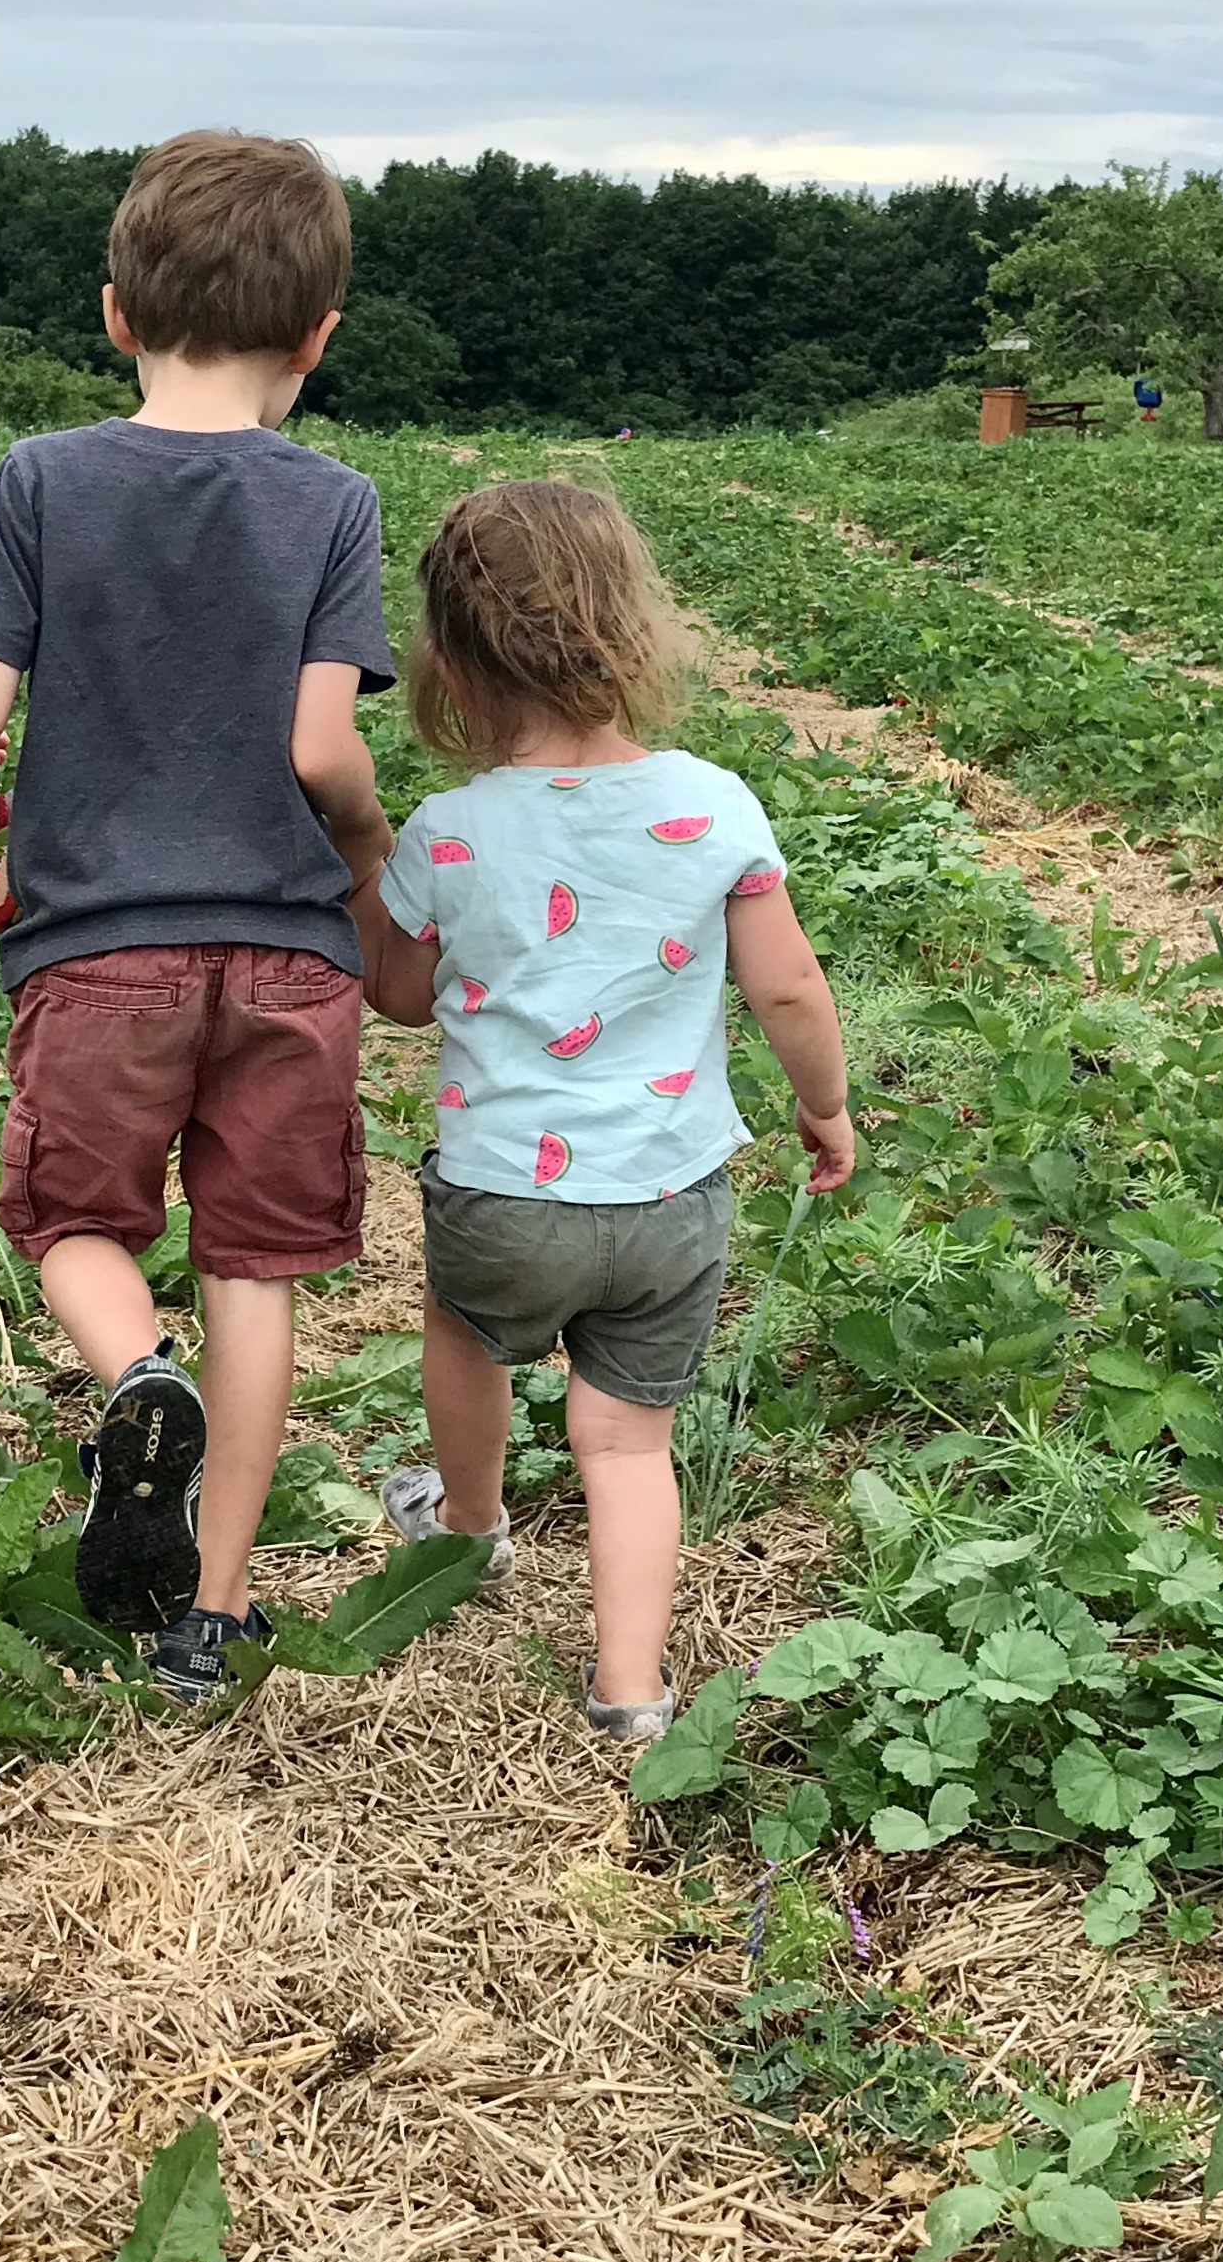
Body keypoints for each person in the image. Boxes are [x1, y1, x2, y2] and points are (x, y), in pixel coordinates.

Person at [0, 132, 396, 1707]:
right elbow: (321, 749)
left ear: (116, 312)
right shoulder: (333, 502)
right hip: (290, 956)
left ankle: (136, 1378)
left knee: (77, 1224)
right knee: (254, 1269)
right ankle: (212, 1615)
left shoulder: (45, 478)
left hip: (98, 947)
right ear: (317, 334)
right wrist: (371, 845)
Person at [357, 477, 855, 1746]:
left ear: (452, 669)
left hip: (502, 1193)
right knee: (628, 1444)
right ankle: (632, 1691)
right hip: (670, 1192)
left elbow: (403, 999)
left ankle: (470, 1524)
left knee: (465, 1336)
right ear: (633, 633)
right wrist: (826, 1109)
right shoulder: (716, 807)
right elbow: (790, 985)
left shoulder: (449, 829)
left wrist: (372, 875)